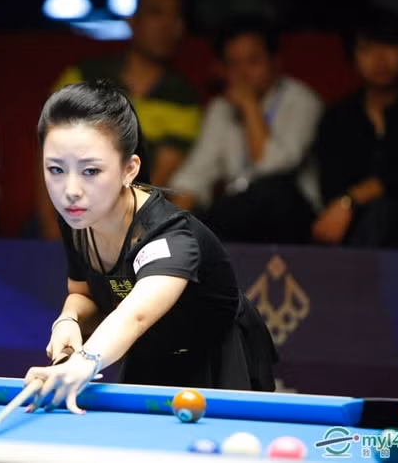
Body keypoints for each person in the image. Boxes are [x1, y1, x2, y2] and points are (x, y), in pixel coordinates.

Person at [24, 80, 277, 414]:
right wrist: (68, 320)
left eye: (90, 170)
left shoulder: (171, 236)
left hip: (217, 362)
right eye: (56, 169)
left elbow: (135, 315)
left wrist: (84, 360)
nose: (70, 189)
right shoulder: (78, 217)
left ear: (129, 169)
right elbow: (85, 294)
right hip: (146, 351)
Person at [35, 0, 201, 239]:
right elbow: (51, 150)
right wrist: (50, 223)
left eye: (175, 17)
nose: (167, 25)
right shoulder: (83, 76)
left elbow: (153, 179)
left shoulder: (183, 98)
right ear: (133, 21)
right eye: (156, 13)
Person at [170, 14, 323, 244]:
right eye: (233, 64)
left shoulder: (302, 101)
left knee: (271, 191)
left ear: (276, 61)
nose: (243, 73)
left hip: (292, 217)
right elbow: (195, 176)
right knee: (191, 225)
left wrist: (249, 106)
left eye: (253, 61)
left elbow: (271, 166)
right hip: (238, 213)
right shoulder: (221, 108)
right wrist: (171, 229)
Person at [312, 6, 398, 249]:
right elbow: (331, 186)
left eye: (390, 46)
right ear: (353, 57)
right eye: (367, 49)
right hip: (352, 223)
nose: (380, 59)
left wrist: (353, 198)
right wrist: (349, 203)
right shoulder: (338, 117)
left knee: (385, 213)